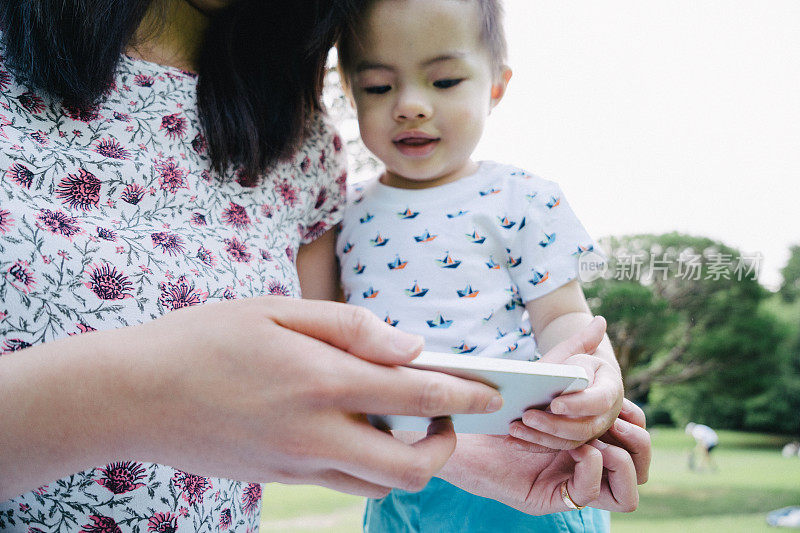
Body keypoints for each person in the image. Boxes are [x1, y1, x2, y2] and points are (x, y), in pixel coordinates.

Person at [0, 1, 518, 531]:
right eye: (380, 87)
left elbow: (332, 392)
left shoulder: (300, 141)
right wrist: (146, 394)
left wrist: (508, 442)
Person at [335, 0, 633, 530]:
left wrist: (596, 383)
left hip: (520, 465)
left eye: (445, 81)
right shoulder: (337, 213)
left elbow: (565, 321)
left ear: (495, 84)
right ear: (348, 88)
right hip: (397, 477)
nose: (410, 105)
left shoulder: (520, 197)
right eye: (379, 86)